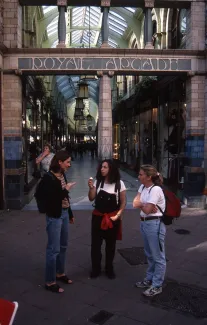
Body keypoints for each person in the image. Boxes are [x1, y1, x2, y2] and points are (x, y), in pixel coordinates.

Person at [39, 150, 76, 293]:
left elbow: (65, 199)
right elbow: (53, 199)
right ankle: (50, 281)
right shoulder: (49, 178)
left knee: (63, 245)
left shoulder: (62, 175)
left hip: (65, 213)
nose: (69, 164)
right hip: (54, 215)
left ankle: (60, 273)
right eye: (67, 162)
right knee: (53, 249)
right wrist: (66, 189)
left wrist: (70, 213)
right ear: (59, 162)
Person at [88, 159, 126, 279]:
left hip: (112, 218)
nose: (102, 169)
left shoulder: (119, 184)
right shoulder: (98, 182)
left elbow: (123, 201)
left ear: (111, 169)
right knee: (95, 246)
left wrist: (119, 214)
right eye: (101, 167)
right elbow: (91, 198)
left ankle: (109, 268)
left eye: (105, 167)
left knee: (110, 246)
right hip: (98, 217)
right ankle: (96, 268)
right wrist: (91, 188)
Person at [133, 164, 166, 297]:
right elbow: (135, 203)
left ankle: (157, 285)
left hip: (155, 225)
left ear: (149, 177)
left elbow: (145, 209)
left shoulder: (156, 189)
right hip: (145, 223)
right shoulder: (143, 187)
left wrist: (143, 205)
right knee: (149, 254)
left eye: (141, 174)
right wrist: (143, 205)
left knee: (158, 256)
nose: (138, 176)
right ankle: (150, 279)